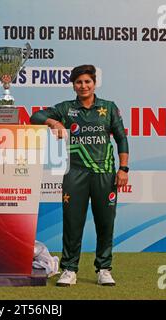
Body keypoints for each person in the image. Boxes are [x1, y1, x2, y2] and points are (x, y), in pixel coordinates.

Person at [30, 64, 129, 286]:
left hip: (104, 174)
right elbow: (34, 116)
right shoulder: (66, 109)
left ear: (94, 83)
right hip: (75, 174)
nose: (83, 86)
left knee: (105, 223)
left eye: (87, 82)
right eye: (79, 82)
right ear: (73, 85)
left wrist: (123, 169)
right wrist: (53, 122)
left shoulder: (109, 108)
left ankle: (104, 268)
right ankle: (69, 269)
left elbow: (121, 138)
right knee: (72, 223)